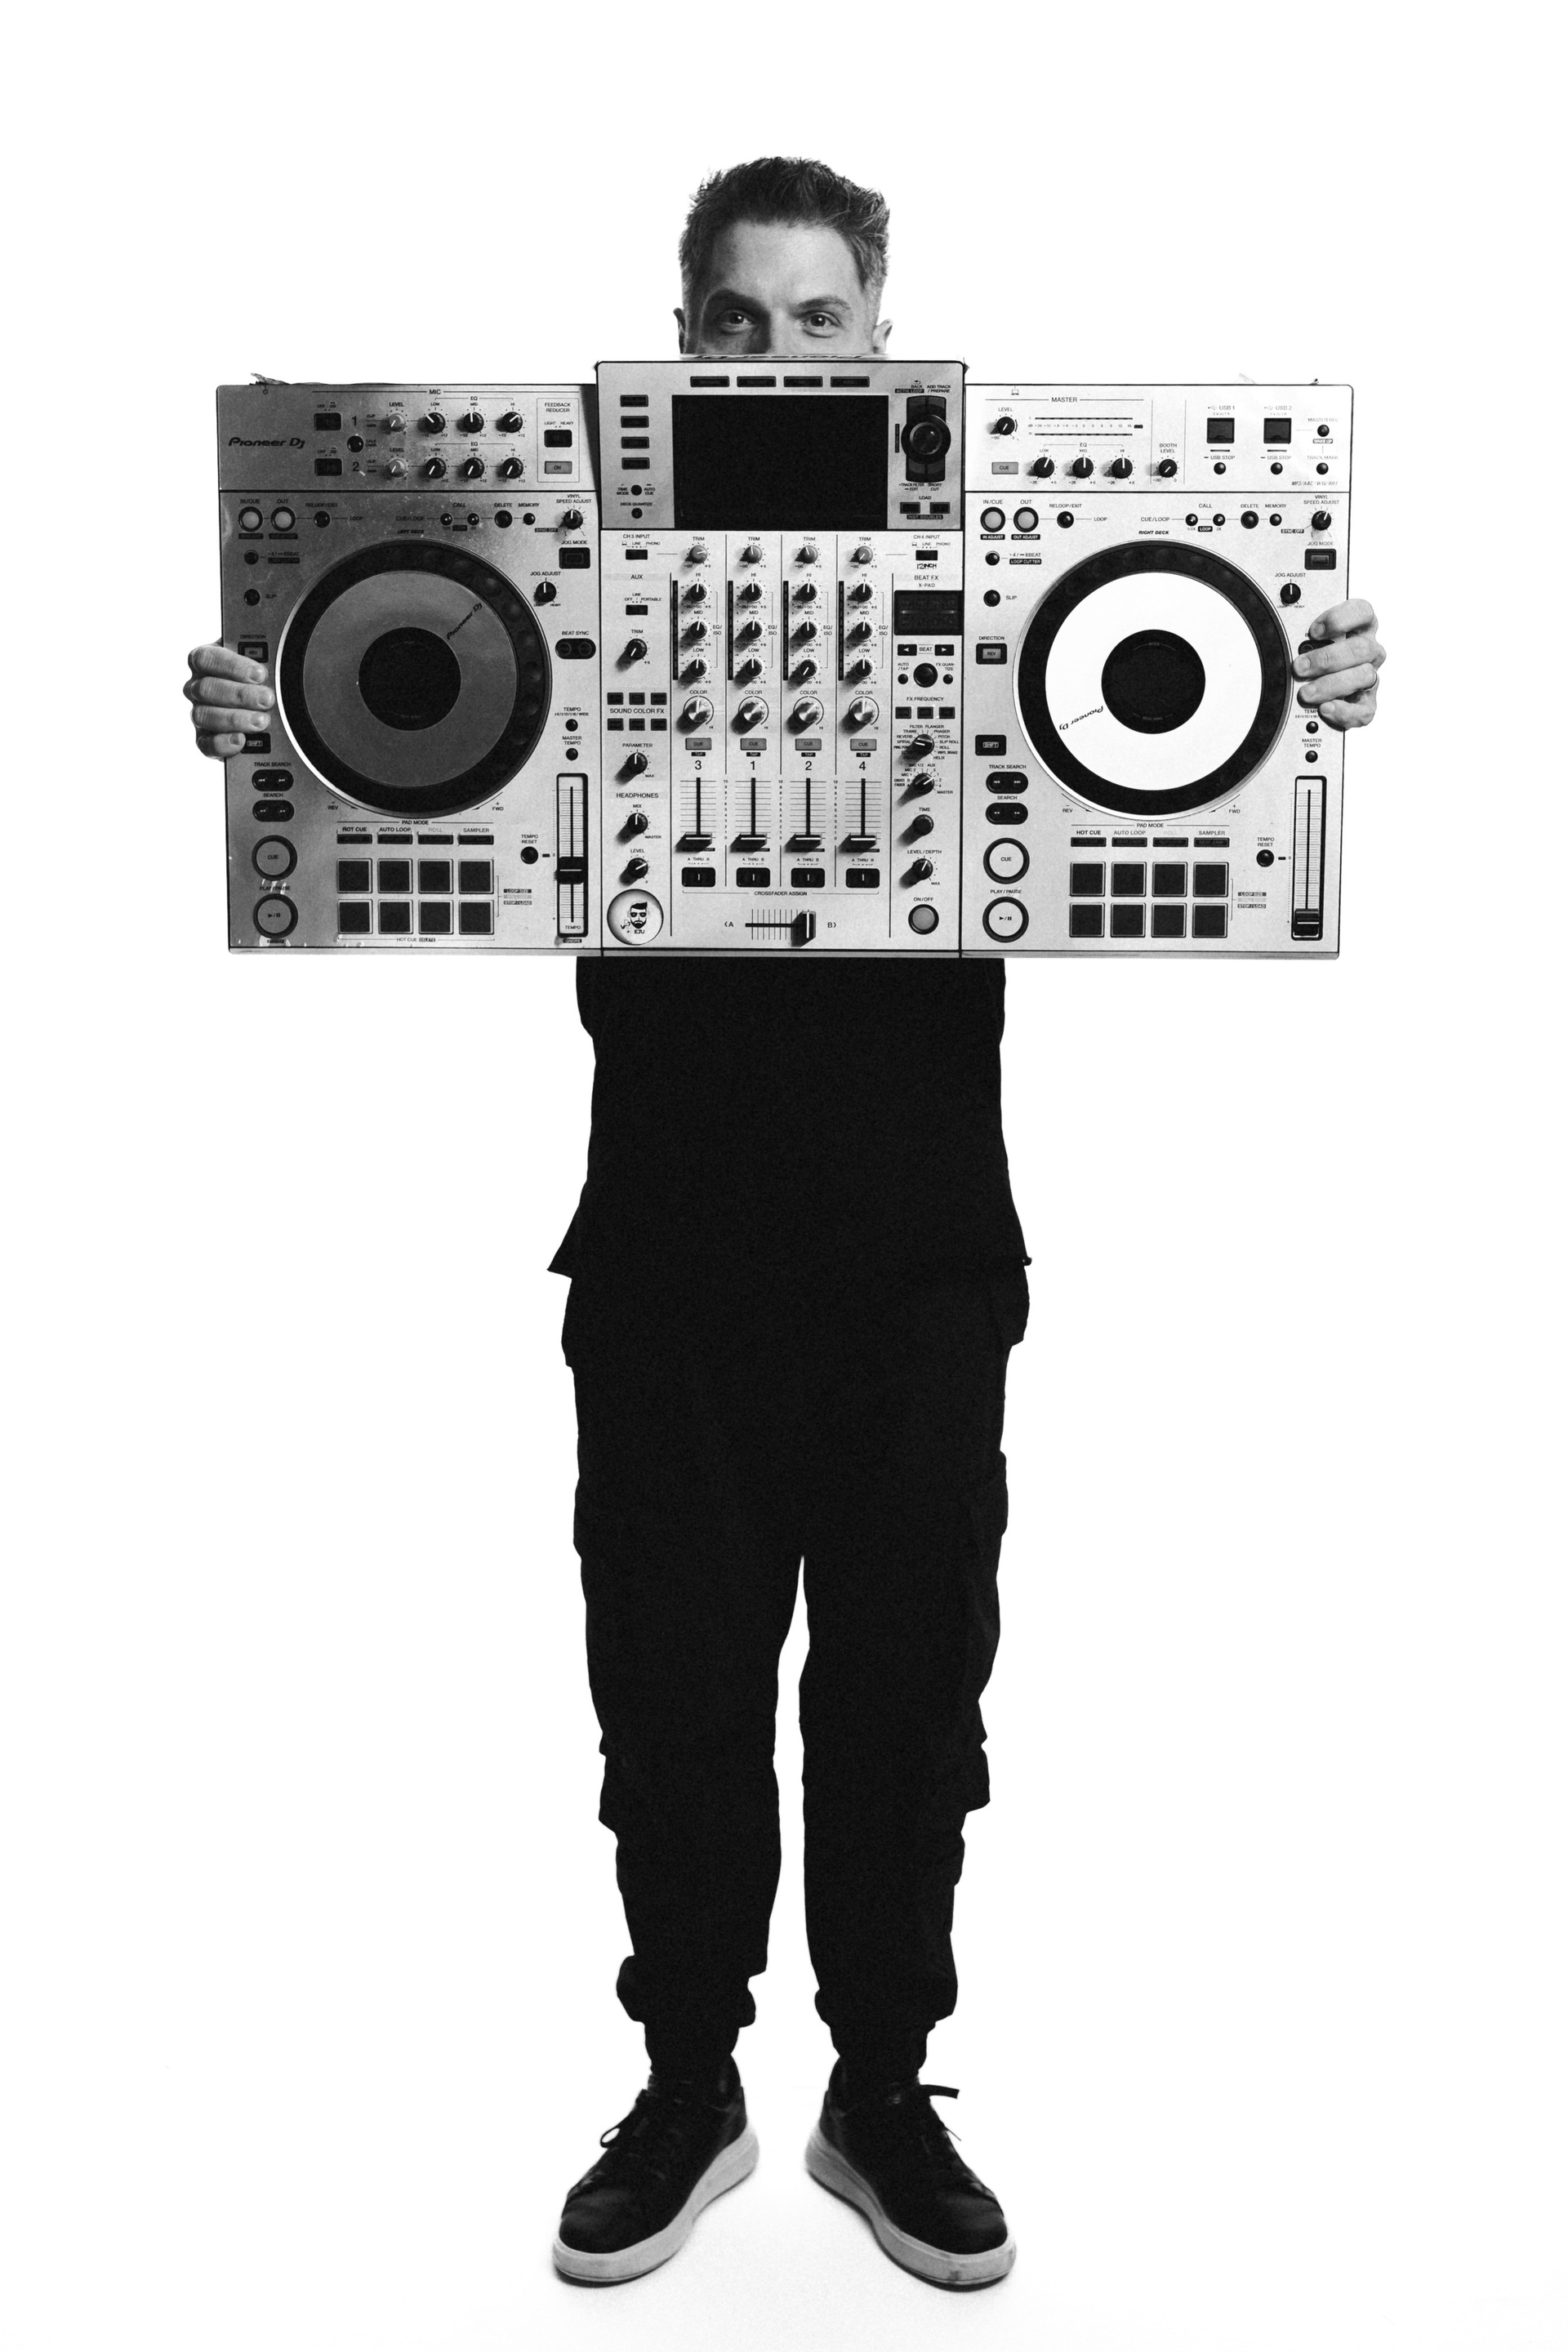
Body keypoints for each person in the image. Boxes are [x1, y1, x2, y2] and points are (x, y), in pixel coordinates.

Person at [184, 158, 1388, 2292]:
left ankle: (883, 2087)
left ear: (884, 334)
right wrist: (278, 712)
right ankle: (688, 2083)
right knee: (669, 1696)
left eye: (823, 321)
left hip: (923, 1257)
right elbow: (400, 716)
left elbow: (1176, 686)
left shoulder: (1008, 556)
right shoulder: (558, 551)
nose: (781, 357)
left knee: (912, 1702)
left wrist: (1303, 675)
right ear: (682, 338)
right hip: (663, 1253)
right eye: (740, 323)